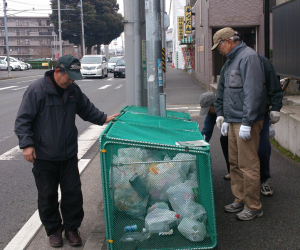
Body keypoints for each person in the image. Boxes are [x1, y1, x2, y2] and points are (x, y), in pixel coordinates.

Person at [14, 55, 119, 247]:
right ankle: (54, 231)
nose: (70, 80)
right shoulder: (37, 90)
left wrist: (104, 118)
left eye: (73, 77)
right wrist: (27, 144)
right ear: (57, 71)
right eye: (68, 76)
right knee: (47, 196)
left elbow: (87, 110)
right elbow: (23, 120)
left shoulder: (72, 91)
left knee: (73, 194)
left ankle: (72, 229)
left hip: (68, 154)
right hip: (44, 156)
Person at [212, 27, 266, 221]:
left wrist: (247, 121)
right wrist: (223, 116)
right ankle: (239, 199)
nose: (218, 51)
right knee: (234, 162)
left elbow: (253, 92)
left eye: (219, 46)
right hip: (233, 119)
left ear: (228, 41)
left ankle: (253, 205)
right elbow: (224, 92)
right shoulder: (231, 61)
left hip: (246, 121)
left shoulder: (248, 58)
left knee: (248, 164)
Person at [200, 90, 282, 194]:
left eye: (208, 109)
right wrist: (200, 145)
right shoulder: (212, 114)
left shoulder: (231, 104)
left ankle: (263, 180)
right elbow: (206, 131)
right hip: (233, 131)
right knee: (224, 139)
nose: (208, 112)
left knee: (262, 150)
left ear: (214, 103)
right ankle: (233, 171)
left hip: (250, 124)